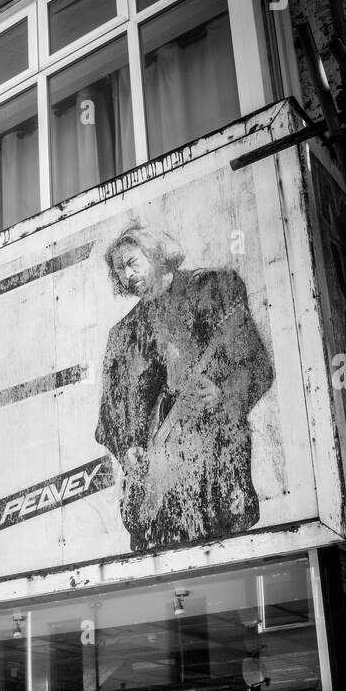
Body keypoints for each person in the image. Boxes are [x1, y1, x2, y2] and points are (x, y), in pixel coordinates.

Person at [95, 223, 273, 552]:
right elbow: (108, 419)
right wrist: (128, 448)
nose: (127, 275)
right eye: (120, 270)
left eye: (132, 262)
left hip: (217, 483)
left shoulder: (214, 289)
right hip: (157, 508)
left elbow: (257, 366)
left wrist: (224, 393)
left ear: (156, 254)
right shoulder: (122, 335)